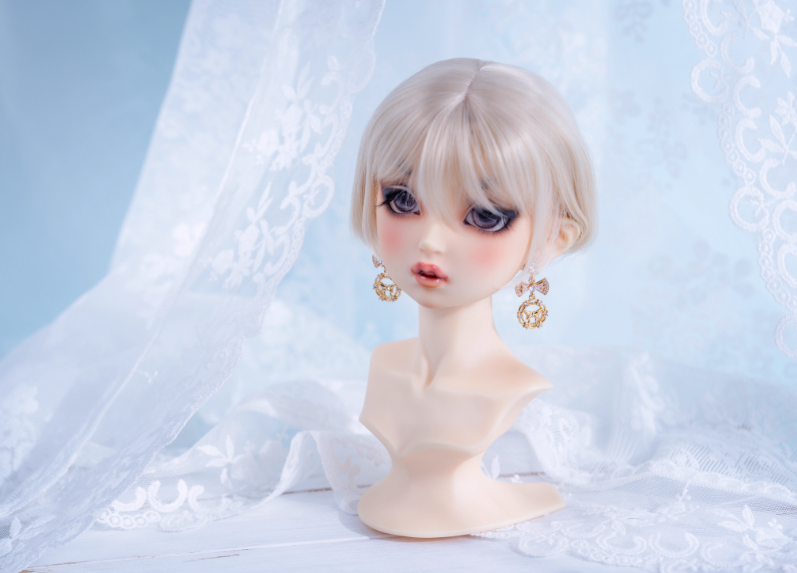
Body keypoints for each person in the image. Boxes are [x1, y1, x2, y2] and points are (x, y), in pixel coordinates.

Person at [349, 58, 597, 537]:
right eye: (403, 200)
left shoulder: (506, 387)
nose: (430, 241)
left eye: (484, 216)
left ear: (553, 237)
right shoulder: (386, 365)